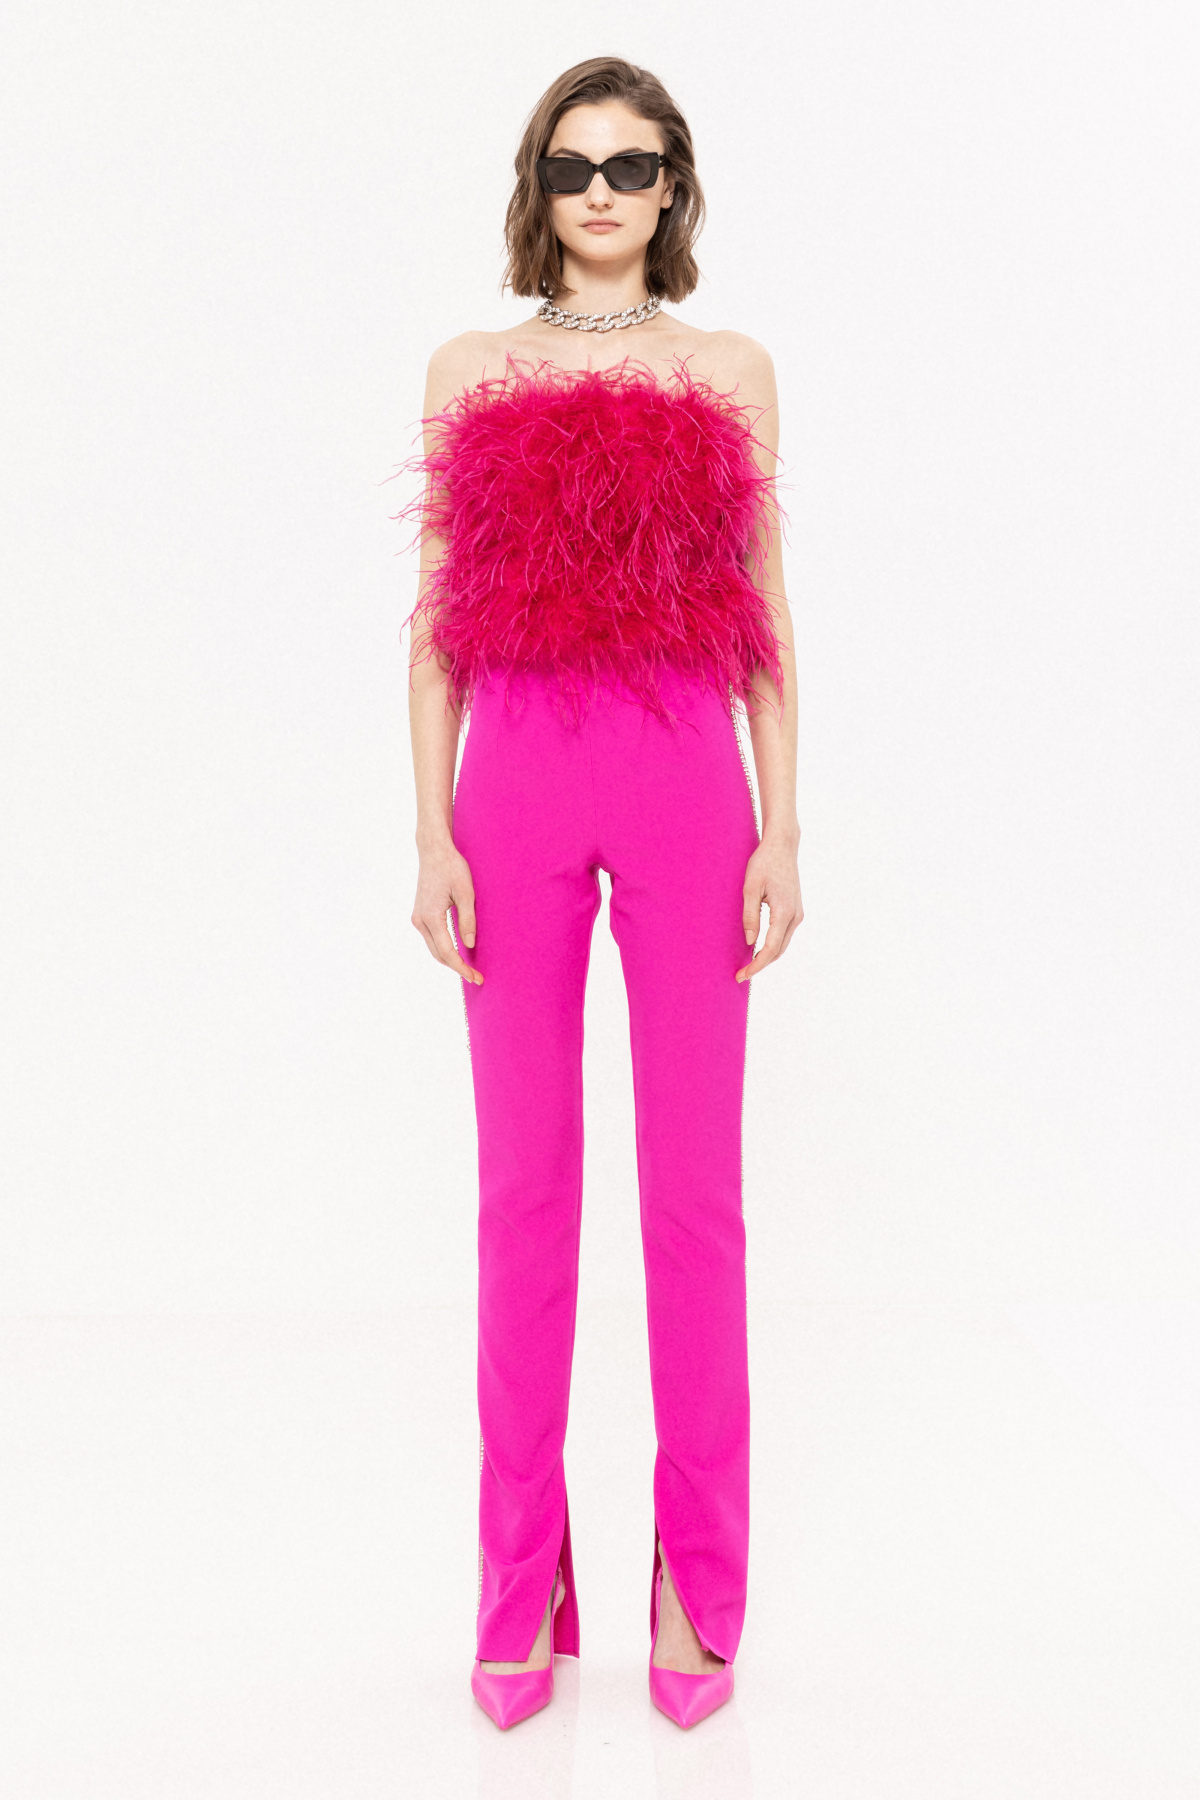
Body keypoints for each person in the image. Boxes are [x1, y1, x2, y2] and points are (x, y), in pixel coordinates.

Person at [402, 56, 802, 1731]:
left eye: (632, 167)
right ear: (538, 186)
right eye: (574, 167)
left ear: (673, 187)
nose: (602, 195)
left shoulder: (728, 370)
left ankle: (695, 1581)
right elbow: (438, 621)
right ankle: (520, 1581)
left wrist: (786, 825)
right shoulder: (472, 369)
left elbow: (765, 606)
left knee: (694, 1196)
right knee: (523, 1197)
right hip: (515, 783)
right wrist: (431, 834)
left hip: (687, 776)